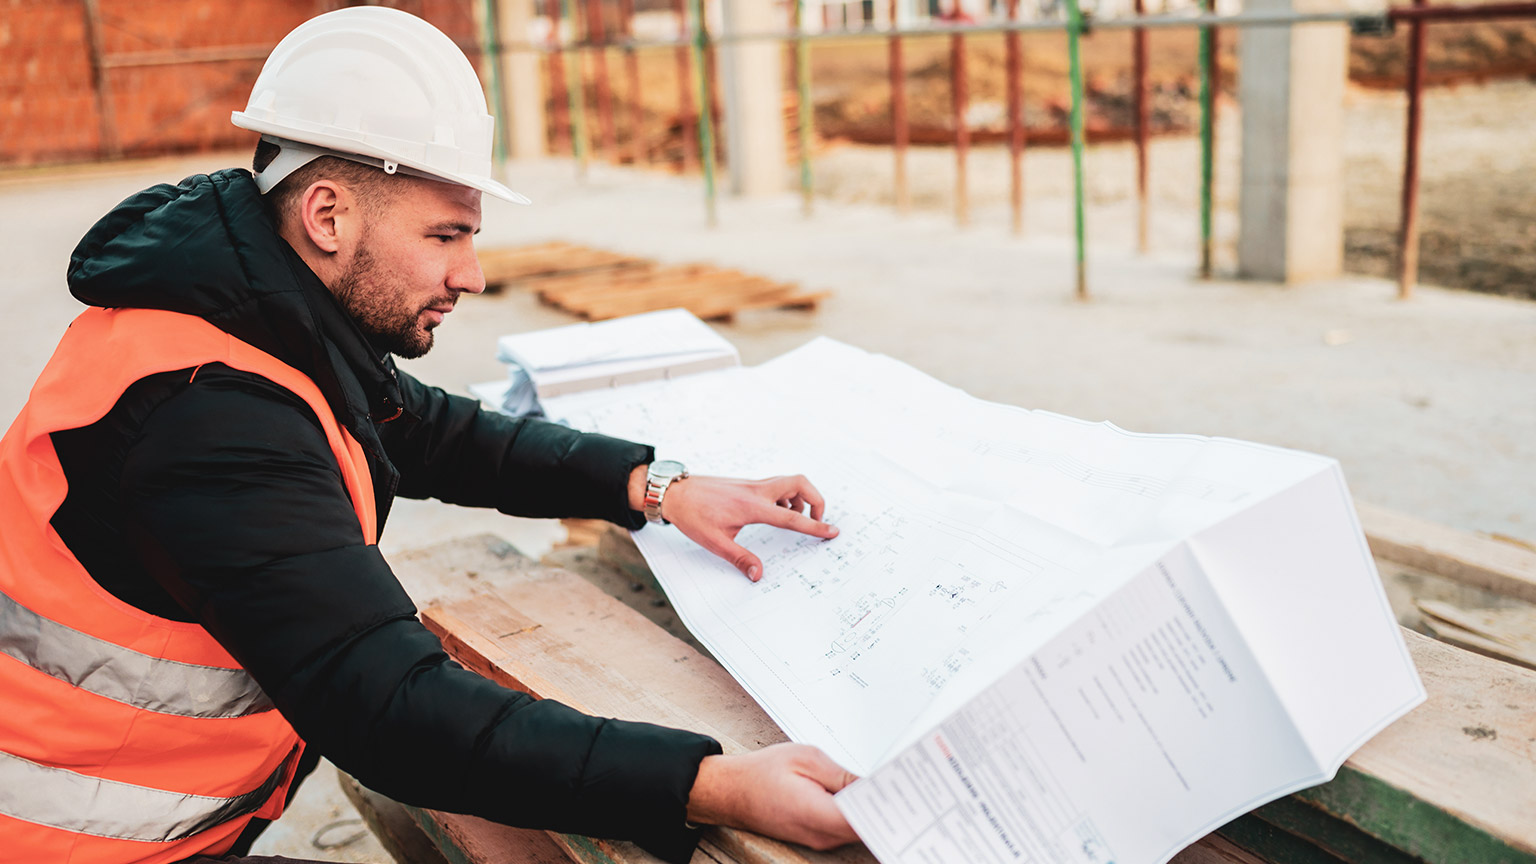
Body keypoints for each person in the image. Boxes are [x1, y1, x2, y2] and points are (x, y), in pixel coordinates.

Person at [0, 7, 858, 863]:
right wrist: (714, 784)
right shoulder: (209, 420)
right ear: (328, 215)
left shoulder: (256, 313)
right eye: (445, 235)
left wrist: (657, 488)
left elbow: (433, 433)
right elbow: (392, 710)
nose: (472, 275)